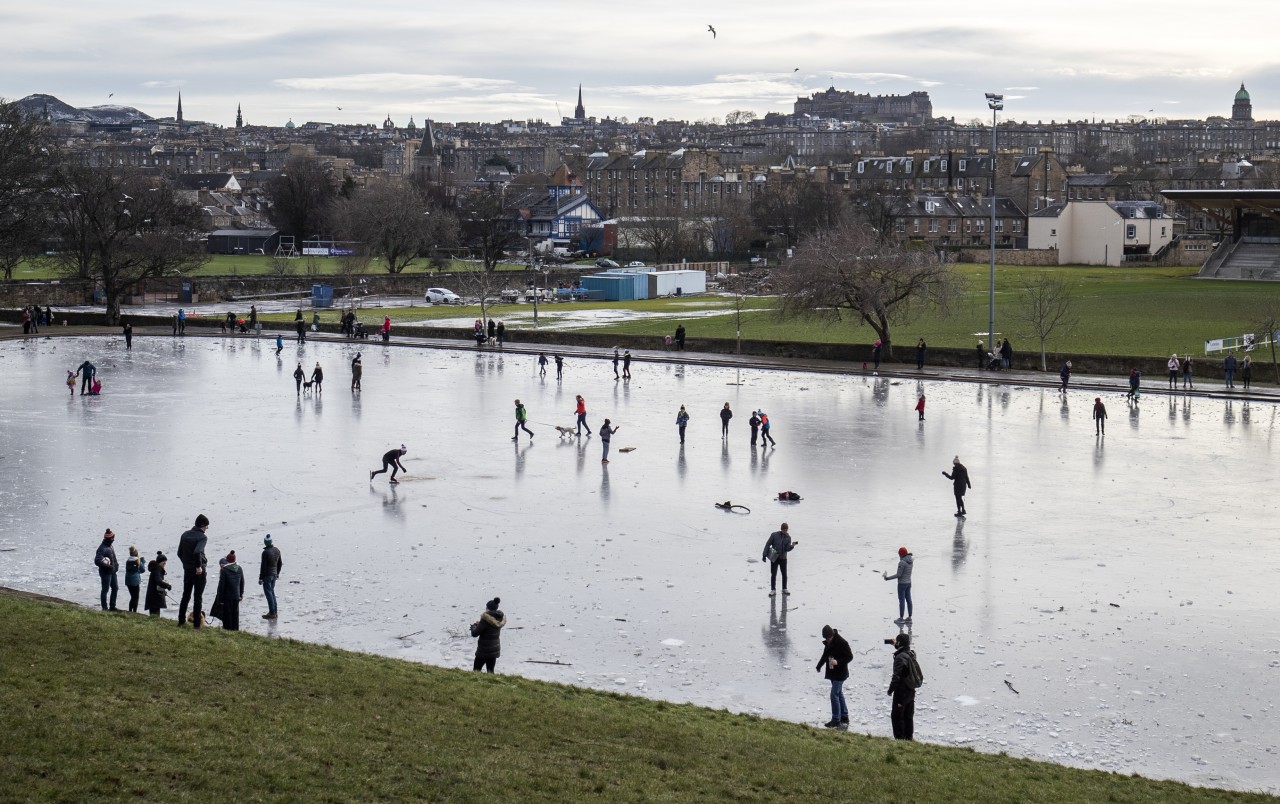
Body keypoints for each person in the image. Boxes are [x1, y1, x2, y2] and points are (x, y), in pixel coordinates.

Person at [815, 624, 852, 728]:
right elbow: (825, 655)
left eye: (829, 638)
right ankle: (844, 716)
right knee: (839, 693)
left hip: (840, 673)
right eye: (826, 639)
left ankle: (836, 719)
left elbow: (850, 657)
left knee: (834, 694)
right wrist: (819, 666)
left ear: (832, 635)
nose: (828, 640)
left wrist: (838, 662)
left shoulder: (842, 642)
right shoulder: (828, 642)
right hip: (832, 673)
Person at [176, 514, 210, 628]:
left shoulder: (185, 535)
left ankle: (181, 621)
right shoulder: (202, 537)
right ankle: (196, 625)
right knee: (198, 597)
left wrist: (186, 564)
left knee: (186, 595)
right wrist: (198, 566)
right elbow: (197, 552)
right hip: (198, 571)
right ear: (202, 525)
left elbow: (179, 553)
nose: (207, 528)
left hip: (187, 570)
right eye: (206, 526)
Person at [887, 633, 918, 740]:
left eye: (897, 641)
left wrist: (890, 690)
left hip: (901, 692)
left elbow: (897, 677)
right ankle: (909, 738)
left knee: (897, 716)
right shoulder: (910, 653)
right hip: (910, 690)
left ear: (900, 643)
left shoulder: (900, 658)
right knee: (908, 716)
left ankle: (900, 740)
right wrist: (895, 644)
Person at [470, 597, 507, 673]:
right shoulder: (499, 619)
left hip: (484, 651)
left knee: (476, 671)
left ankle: (475, 684)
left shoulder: (485, 620)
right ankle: (491, 683)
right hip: (494, 651)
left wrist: (473, 626)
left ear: (487, 608)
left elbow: (474, 634)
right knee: (490, 671)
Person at [761, 523, 797, 597]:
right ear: (781, 529)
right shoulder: (774, 535)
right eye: (784, 529)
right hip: (774, 556)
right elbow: (768, 544)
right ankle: (773, 589)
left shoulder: (788, 537)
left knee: (784, 574)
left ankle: (784, 588)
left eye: (786, 530)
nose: (785, 531)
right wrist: (764, 555)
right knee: (773, 574)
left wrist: (792, 546)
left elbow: (787, 549)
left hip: (783, 558)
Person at [213, 552, 244, 631]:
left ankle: (228, 631)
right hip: (236, 596)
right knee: (235, 615)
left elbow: (221, 586)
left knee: (227, 615)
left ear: (227, 560)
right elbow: (242, 582)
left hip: (227, 597)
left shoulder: (224, 570)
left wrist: (220, 599)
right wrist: (241, 594)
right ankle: (236, 630)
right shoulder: (239, 568)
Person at [883, 547, 913, 624]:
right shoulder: (911, 560)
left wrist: (888, 578)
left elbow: (899, 575)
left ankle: (901, 618)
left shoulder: (902, 562)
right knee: (909, 600)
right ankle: (909, 617)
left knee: (902, 600)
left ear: (901, 554)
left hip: (902, 584)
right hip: (909, 583)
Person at [95, 528, 120, 611]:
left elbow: (113, 557)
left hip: (113, 572)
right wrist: (108, 566)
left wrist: (116, 566)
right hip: (106, 572)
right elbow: (97, 560)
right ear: (110, 539)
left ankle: (112, 606)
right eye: (113, 538)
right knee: (105, 590)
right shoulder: (102, 548)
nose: (114, 539)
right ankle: (105, 608)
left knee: (115, 588)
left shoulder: (110, 546)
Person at [259, 534, 283, 620]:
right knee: (272, 592)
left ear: (265, 542)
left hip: (267, 575)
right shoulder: (277, 550)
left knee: (269, 593)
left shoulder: (265, 553)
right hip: (274, 574)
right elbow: (280, 563)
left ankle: (272, 612)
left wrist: (261, 578)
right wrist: (277, 573)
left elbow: (263, 566)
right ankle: (275, 612)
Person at [145, 551, 171, 617]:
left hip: (153, 595)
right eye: (163, 561)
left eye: (165, 561)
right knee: (155, 614)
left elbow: (157, 583)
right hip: (154, 596)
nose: (165, 563)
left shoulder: (157, 569)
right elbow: (158, 581)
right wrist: (167, 586)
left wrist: (163, 591)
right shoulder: (157, 570)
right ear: (159, 562)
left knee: (154, 613)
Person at [124, 545, 144, 613]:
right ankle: (134, 611)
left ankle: (130, 610)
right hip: (135, 581)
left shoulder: (128, 560)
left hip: (128, 580)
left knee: (132, 596)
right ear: (136, 553)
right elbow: (143, 570)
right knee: (136, 597)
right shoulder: (137, 560)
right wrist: (143, 562)